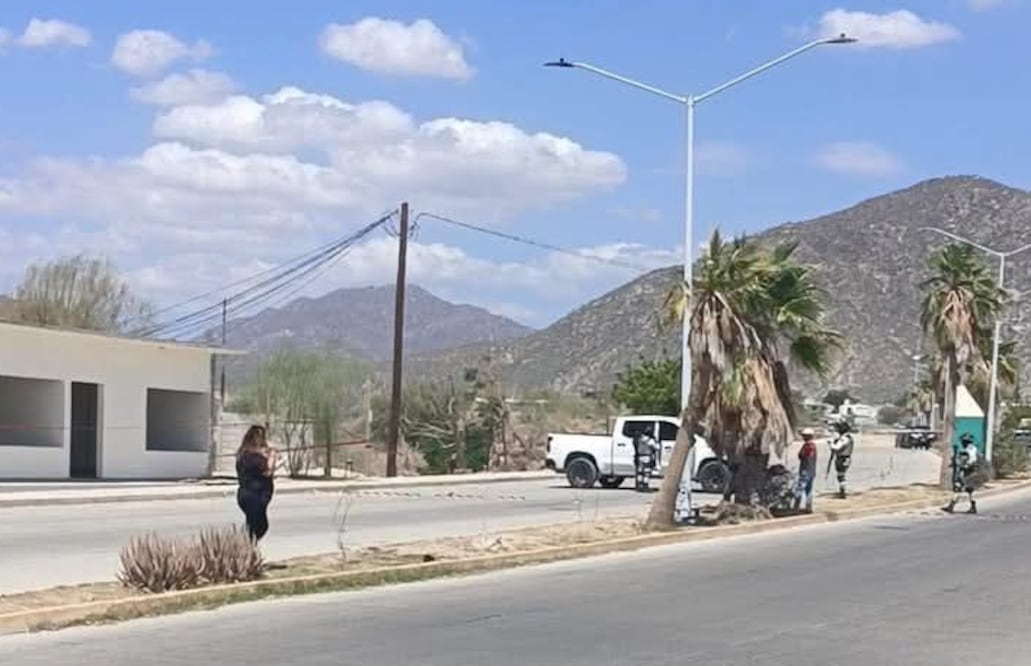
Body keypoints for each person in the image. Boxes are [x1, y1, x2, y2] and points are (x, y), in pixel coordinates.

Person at [235, 425, 277, 542]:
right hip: (253, 495)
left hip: (251, 495)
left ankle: (248, 548)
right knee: (259, 527)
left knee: (256, 525)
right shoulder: (252, 457)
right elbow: (268, 471)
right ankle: (245, 548)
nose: (262, 441)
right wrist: (273, 455)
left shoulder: (246, 454)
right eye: (259, 437)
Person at [943, 433, 981, 515]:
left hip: (967, 470)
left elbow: (964, 461)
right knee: (969, 490)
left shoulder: (966, 451)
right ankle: (972, 507)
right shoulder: (974, 448)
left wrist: (961, 466)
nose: (962, 443)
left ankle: (951, 506)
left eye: (963, 442)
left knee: (958, 487)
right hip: (973, 470)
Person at [827, 418, 855, 499]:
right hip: (846, 458)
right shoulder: (848, 437)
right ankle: (842, 490)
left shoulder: (844, 438)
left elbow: (836, 448)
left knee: (841, 475)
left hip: (842, 458)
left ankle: (842, 492)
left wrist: (831, 443)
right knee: (841, 475)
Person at [793, 428, 818, 513]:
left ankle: (796, 507)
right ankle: (808, 507)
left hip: (805, 470)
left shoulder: (807, 446)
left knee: (799, 489)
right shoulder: (813, 446)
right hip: (812, 471)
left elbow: (802, 455)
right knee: (809, 489)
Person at [632, 425, 658, 492]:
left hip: (639, 456)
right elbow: (656, 448)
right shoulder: (650, 440)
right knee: (647, 472)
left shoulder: (639, 439)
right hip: (647, 457)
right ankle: (645, 486)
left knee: (640, 472)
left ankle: (639, 486)